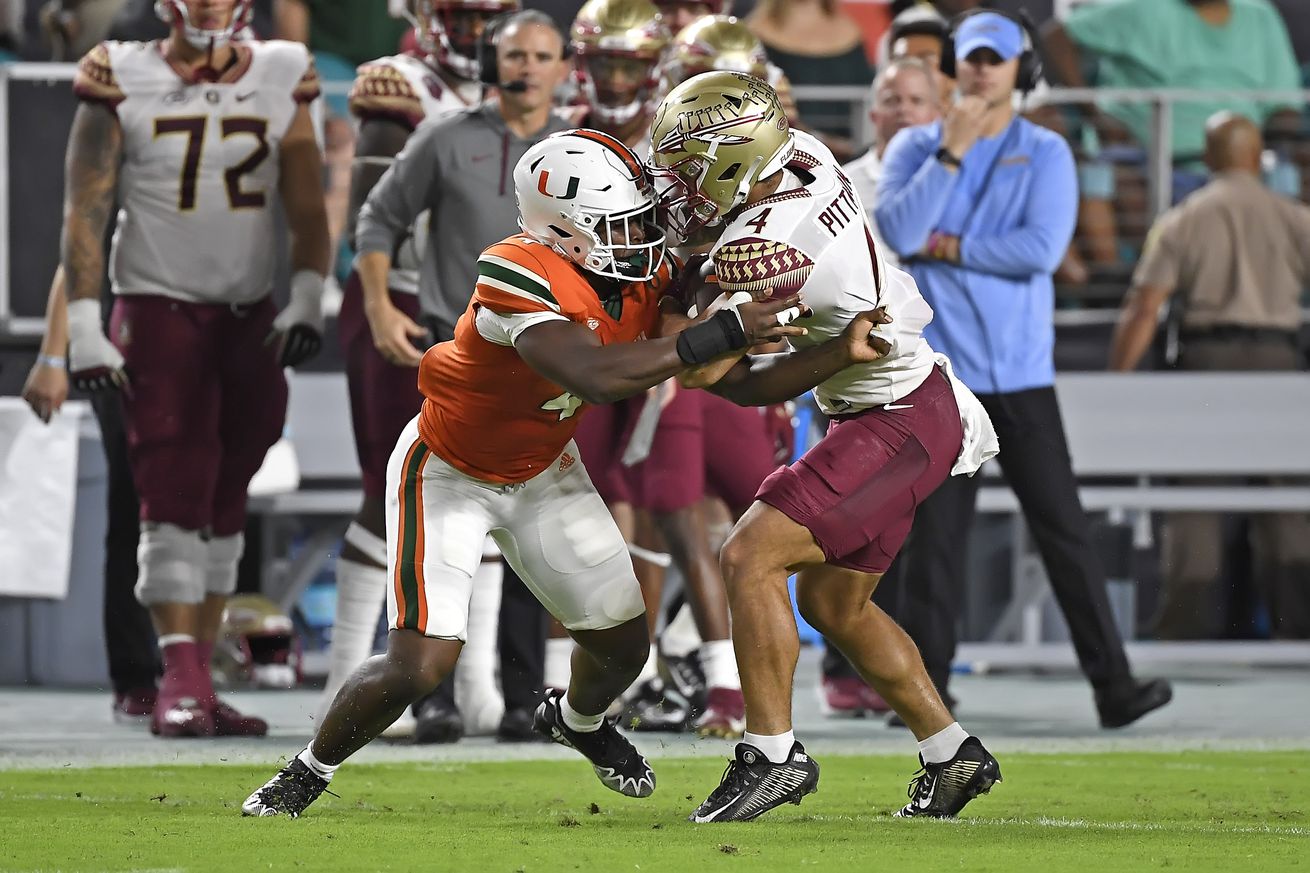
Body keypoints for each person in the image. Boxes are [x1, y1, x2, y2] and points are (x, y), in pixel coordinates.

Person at [240, 127, 816, 818]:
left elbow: (680, 346)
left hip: (544, 469)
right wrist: (725, 328)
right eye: (620, 224)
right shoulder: (516, 266)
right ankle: (307, 771)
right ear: (565, 231)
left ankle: (577, 720)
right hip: (450, 470)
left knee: (625, 645)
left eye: (639, 219)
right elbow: (594, 374)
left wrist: (728, 287)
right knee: (419, 665)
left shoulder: (643, 269)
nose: (640, 236)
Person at [647, 70, 1001, 822]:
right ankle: (953, 753)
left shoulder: (762, 246)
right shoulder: (800, 152)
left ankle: (772, 754)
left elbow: (714, 372)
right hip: (902, 400)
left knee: (748, 554)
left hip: (897, 415)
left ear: (737, 157)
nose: (677, 184)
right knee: (836, 603)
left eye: (689, 167)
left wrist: (680, 296)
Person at [874, 10, 1172, 729]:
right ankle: (924, 696)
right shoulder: (918, 147)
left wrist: (949, 247)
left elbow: (1038, 251)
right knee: (935, 543)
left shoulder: (1044, 150)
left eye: (994, 59)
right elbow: (899, 232)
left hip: (1021, 377)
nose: (980, 70)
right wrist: (952, 152)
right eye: (970, 58)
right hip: (943, 377)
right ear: (953, 66)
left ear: (1020, 71)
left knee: (1064, 532)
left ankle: (1115, 686)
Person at [62, 0, 330, 737]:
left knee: (225, 498)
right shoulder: (121, 70)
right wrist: (84, 324)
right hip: (158, 306)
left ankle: (200, 677)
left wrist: (307, 293)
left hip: (247, 313)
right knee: (171, 491)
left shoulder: (282, 69)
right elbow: (85, 207)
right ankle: (175, 674)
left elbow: (307, 202)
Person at [333, 8, 573, 744]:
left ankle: (498, 694)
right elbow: (374, 220)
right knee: (421, 512)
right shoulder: (446, 134)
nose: (526, 67)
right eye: (514, 54)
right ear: (492, 59)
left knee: (520, 522)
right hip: (457, 349)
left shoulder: (582, 152)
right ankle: (390, 686)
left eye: (540, 55)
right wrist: (376, 305)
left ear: (564, 69)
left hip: (547, 358)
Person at [1109, 111, 1310, 640]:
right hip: (1277, 365)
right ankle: (1298, 630)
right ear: (1256, 154)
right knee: (1286, 502)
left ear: (1211, 155)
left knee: (1194, 503)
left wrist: (1115, 383)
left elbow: (1144, 308)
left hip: (1205, 366)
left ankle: (1184, 629)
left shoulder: (1184, 218)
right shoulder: (1293, 216)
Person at [21, 268, 160, 724]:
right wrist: (53, 357)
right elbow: (77, 250)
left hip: (207, 337)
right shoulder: (119, 195)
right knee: (134, 506)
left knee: (203, 514)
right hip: (127, 344)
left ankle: (194, 667)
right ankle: (137, 673)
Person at [746, 0, 872, 160]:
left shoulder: (852, 31)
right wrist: (817, 139)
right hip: (785, 156)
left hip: (853, 156)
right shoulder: (754, 37)